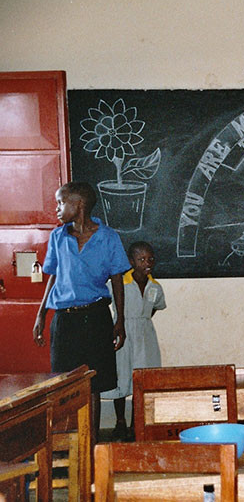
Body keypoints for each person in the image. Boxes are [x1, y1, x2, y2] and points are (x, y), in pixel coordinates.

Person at [33, 181, 131, 441]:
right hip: (65, 320)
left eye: (60, 203)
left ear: (79, 205)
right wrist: (41, 314)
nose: (56, 208)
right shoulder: (57, 237)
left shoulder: (108, 237)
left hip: (96, 317)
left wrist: (119, 321)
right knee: (64, 384)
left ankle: (91, 443)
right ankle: (68, 443)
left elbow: (118, 280)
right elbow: (52, 277)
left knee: (93, 385)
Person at [101, 241, 167, 441]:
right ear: (131, 261)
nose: (147, 263)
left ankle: (135, 423)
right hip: (123, 331)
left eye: (150, 259)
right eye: (141, 259)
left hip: (145, 334)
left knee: (142, 378)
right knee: (121, 376)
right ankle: (120, 422)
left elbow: (155, 307)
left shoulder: (155, 286)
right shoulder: (120, 282)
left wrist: (141, 320)